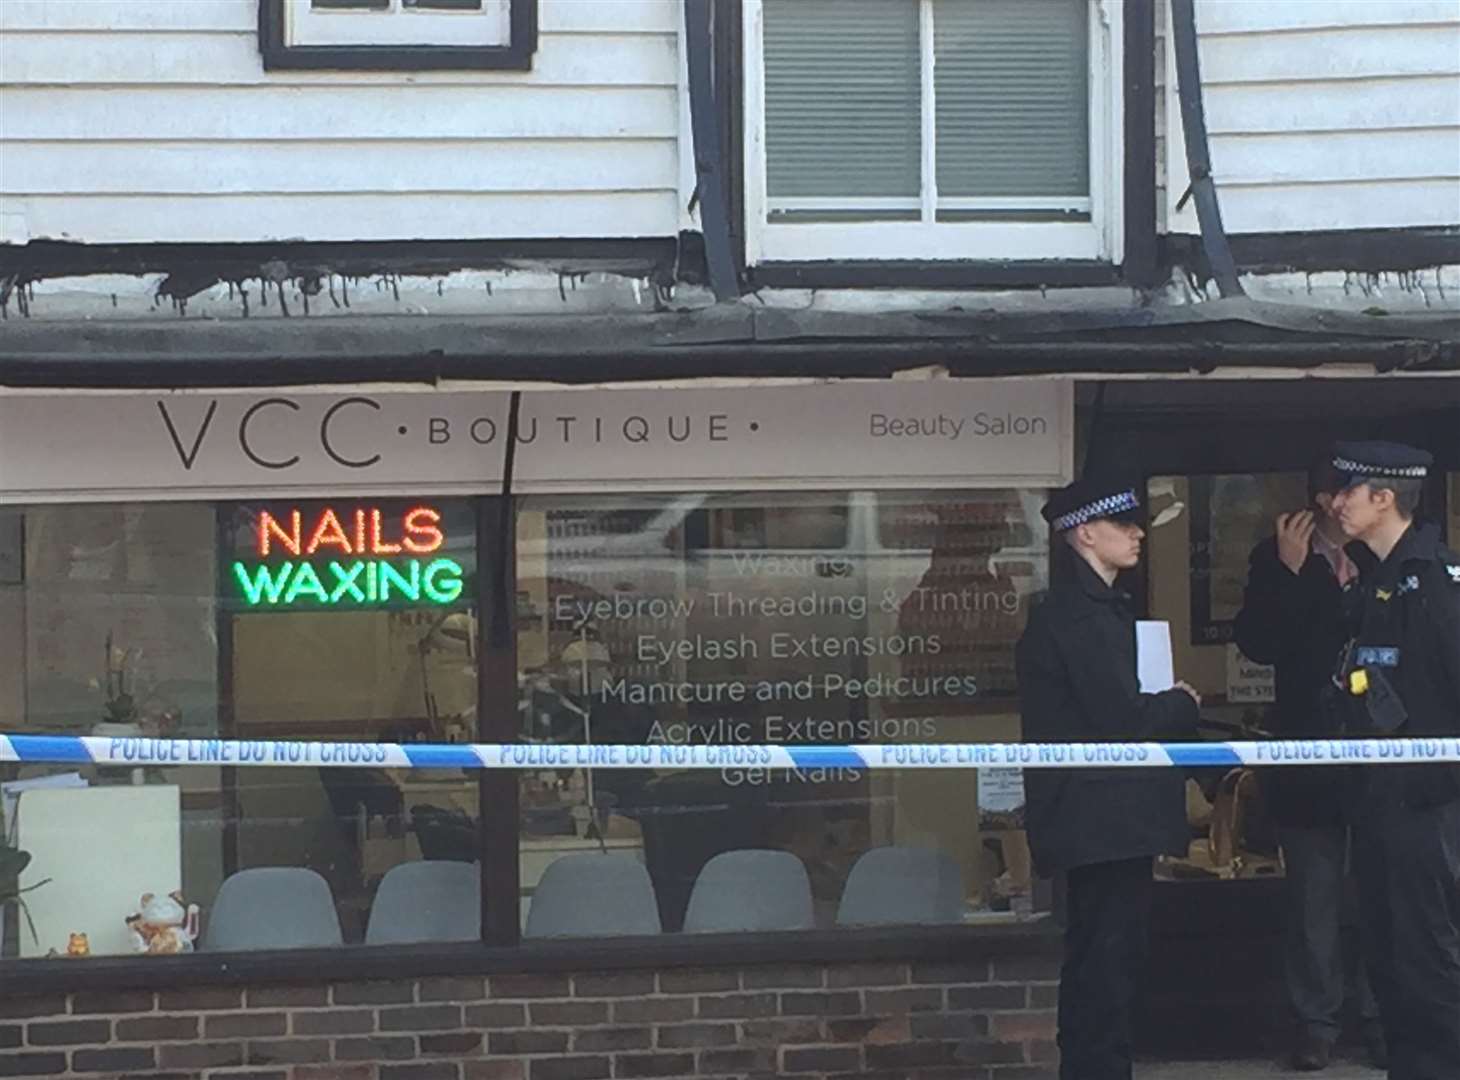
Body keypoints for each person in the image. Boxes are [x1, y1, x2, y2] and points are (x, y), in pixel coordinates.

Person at [1016, 474, 1202, 1080]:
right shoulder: (1079, 616)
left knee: (1103, 959)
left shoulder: (1091, 610)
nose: (1138, 534)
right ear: (1086, 533)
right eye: (1124, 525)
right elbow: (1121, 716)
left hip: (1101, 817)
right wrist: (1181, 704)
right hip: (1099, 818)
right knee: (1106, 963)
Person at [1233, 458, 1383, 1071]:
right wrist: (1293, 573)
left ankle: (1380, 1017)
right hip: (1308, 753)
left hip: (1377, 754)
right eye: (1342, 492)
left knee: (1380, 895)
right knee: (1313, 901)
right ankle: (1317, 1023)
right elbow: (1261, 644)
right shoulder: (1275, 559)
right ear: (1324, 499)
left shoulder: (1384, 558)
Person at [1329, 440, 1460, 1080]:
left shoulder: (1434, 583)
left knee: (1428, 956)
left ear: (1385, 498)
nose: (1336, 502)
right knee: (1387, 954)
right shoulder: (1375, 580)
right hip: (1379, 798)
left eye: (1349, 491)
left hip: (1429, 804)